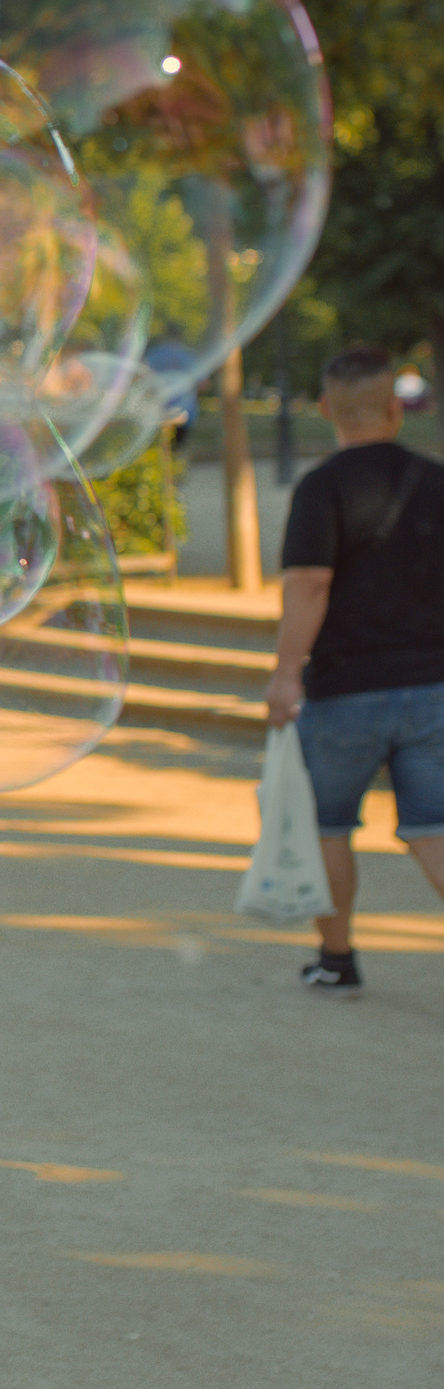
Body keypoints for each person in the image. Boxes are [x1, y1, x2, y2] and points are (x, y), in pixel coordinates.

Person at [264, 344, 444, 994]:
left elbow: (310, 584)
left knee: (328, 824)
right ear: (397, 408)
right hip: (433, 684)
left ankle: (336, 959)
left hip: (345, 688)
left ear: (324, 409)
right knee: (433, 827)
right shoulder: (436, 479)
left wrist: (287, 673)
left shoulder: (321, 487)